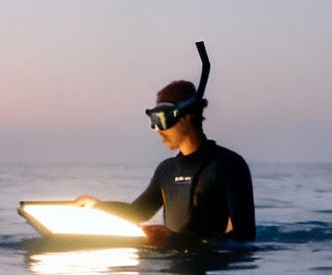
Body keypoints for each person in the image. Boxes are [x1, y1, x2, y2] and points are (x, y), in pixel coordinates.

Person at [78, 78, 255, 244]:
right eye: (153, 121)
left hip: (209, 269)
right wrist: (98, 205)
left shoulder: (228, 164)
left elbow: (244, 236)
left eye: (161, 119)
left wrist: (174, 240)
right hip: (170, 269)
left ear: (188, 115)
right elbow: (138, 212)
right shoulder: (166, 170)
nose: (156, 129)